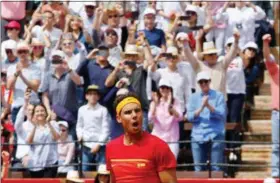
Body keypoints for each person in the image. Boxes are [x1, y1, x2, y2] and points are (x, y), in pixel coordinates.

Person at [106, 92, 177, 183]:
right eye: (128, 112)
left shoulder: (159, 146)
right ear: (119, 118)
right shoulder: (111, 147)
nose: (134, 115)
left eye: (137, 111)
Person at [187, 71, 226, 171]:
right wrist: (201, 107)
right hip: (197, 134)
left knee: (216, 167)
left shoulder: (219, 96)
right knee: (198, 168)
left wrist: (208, 106)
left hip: (215, 133)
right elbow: (190, 117)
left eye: (205, 81)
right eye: (201, 82)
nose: (203, 84)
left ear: (209, 81)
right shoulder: (193, 97)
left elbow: (222, 114)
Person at [24, 90, 60, 178]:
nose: (40, 113)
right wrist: (35, 126)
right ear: (34, 114)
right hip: (36, 163)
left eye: (42, 110)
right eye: (37, 111)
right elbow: (28, 141)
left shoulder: (53, 123)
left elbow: (56, 137)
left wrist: (49, 123)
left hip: (51, 162)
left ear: (46, 112)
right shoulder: (29, 126)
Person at [76, 85, 110, 171]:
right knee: (84, 171)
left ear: (98, 97)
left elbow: (105, 129)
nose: (93, 96)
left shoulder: (103, 110)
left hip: (100, 145)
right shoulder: (81, 109)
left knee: (102, 172)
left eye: (95, 94)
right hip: (86, 144)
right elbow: (79, 126)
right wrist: (80, 136)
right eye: (90, 94)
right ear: (86, 96)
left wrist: (98, 145)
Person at [7, 42, 41, 123]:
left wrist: (22, 76)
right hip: (17, 106)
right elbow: (9, 86)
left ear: (29, 52)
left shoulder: (36, 67)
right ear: (16, 53)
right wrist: (16, 74)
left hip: (33, 106)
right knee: (17, 135)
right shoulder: (11, 68)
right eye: (20, 52)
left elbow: (35, 86)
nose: (22, 54)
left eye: (25, 51)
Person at [148, 79, 183, 159]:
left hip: (172, 138)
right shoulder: (154, 103)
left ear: (170, 89)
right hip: (158, 138)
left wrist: (169, 104)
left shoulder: (176, 102)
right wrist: (156, 104)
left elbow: (180, 117)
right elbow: (150, 118)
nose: (164, 90)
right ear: (159, 89)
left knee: (172, 162)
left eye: (167, 87)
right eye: (162, 87)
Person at [262, 34, 279, 178]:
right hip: (277, 113)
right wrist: (265, 43)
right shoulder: (275, 70)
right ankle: (276, 174)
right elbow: (267, 57)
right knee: (277, 146)